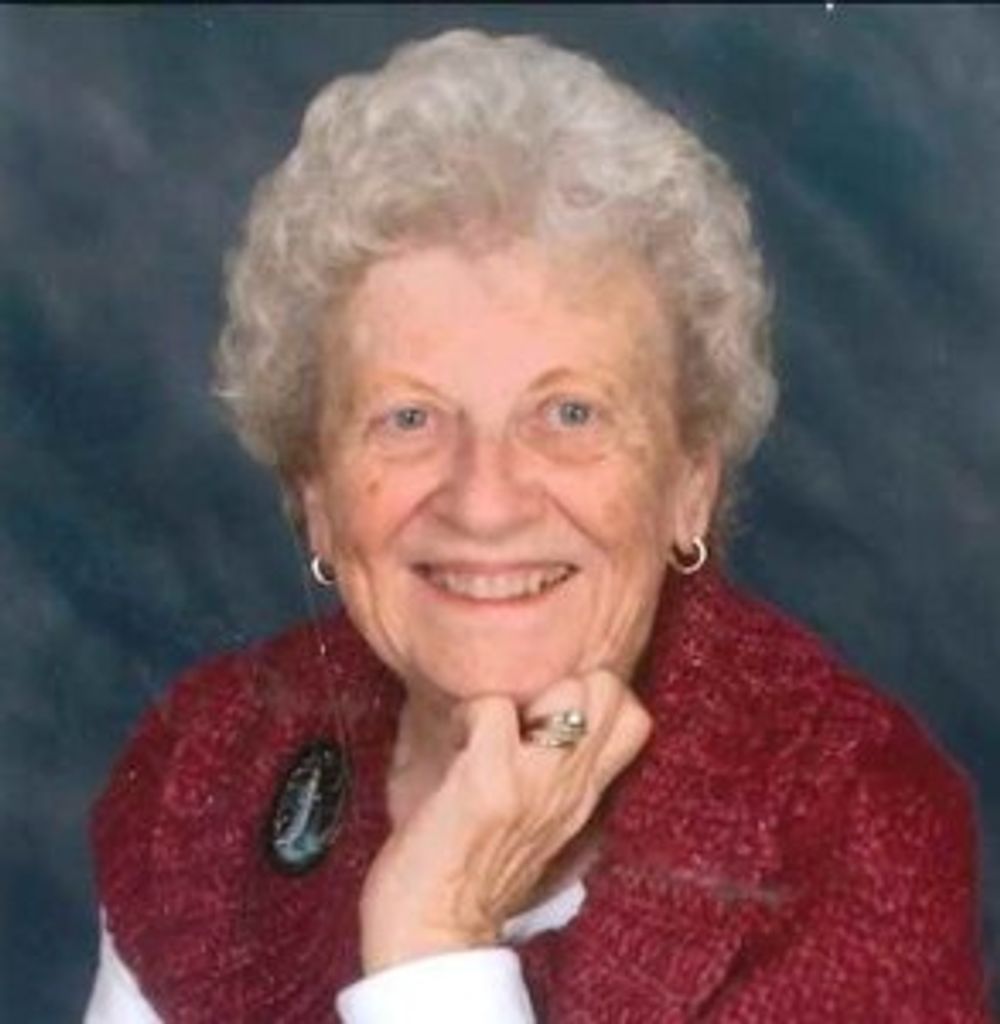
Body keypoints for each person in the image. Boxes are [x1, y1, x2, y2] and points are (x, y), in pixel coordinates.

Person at [84, 28, 990, 1023]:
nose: (485, 500)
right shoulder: (213, 771)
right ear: (317, 497)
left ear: (688, 484)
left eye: (569, 414)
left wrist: (436, 932)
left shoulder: (851, 826)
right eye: (409, 418)